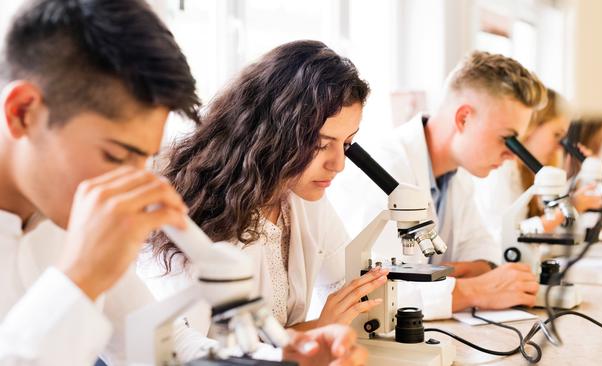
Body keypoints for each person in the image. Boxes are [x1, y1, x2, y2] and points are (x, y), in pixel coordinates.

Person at [0, 1, 366, 365]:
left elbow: (158, 345)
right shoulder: (78, 217)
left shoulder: (61, 213)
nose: (133, 184)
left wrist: (277, 356)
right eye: (114, 156)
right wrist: (81, 276)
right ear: (23, 112)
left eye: (143, 158)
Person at [139, 39, 384, 349]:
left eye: (346, 144)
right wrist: (317, 328)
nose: (338, 164)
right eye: (321, 145)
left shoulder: (300, 196)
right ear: (273, 132)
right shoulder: (195, 212)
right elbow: (183, 350)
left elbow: (347, 288)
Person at [330, 51, 547, 319]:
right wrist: (472, 291)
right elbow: (372, 290)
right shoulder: (382, 167)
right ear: (464, 119)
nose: (513, 155)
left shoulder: (458, 174)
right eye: (507, 139)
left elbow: (482, 251)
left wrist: (457, 276)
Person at [474, 89, 602, 241]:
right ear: (531, 127)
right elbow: (504, 237)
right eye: (557, 135)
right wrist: (568, 208)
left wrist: (577, 175)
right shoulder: (501, 170)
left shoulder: (535, 173)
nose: (559, 147)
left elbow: (557, 233)